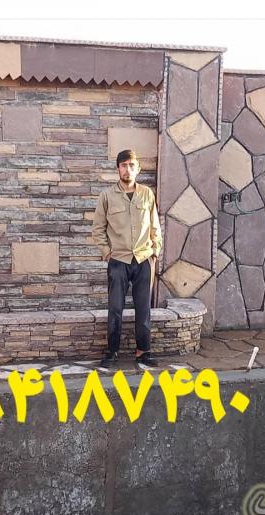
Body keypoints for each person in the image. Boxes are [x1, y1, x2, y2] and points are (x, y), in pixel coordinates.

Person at [92, 149, 162, 368]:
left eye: (131, 165)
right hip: (119, 260)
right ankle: (112, 351)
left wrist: (155, 251)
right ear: (118, 169)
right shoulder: (107, 196)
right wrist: (107, 252)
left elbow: (155, 225)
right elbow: (98, 229)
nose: (127, 169)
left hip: (143, 259)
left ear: (138, 169)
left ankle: (143, 351)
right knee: (115, 308)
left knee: (144, 308)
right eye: (123, 165)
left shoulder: (147, 194)